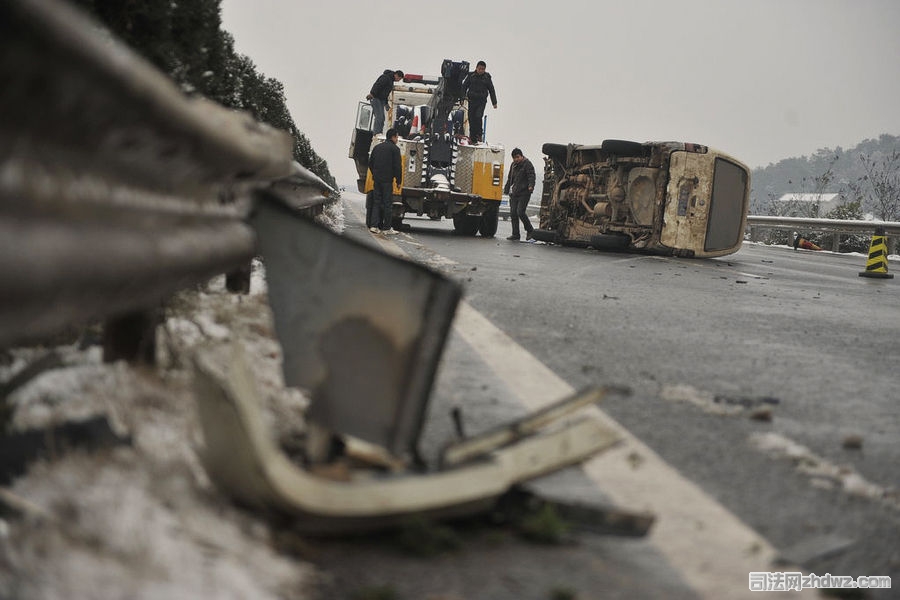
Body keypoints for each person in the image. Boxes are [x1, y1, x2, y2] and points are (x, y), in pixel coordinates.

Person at [368, 128, 402, 234]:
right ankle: (387, 228)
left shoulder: (377, 147)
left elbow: (370, 163)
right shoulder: (395, 149)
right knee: (387, 204)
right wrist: (398, 180)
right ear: (393, 137)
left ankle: (374, 226)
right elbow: (397, 167)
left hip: (377, 180)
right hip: (387, 181)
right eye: (397, 137)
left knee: (376, 202)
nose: (397, 139)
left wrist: (375, 174)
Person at [503, 148, 535, 241]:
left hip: (524, 193)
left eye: (517, 157)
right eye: (514, 158)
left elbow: (531, 176)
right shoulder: (513, 165)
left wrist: (531, 186)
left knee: (520, 212)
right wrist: (506, 189)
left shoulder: (527, 164)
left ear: (521, 156)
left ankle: (530, 231)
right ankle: (515, 234)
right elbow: (510, 178)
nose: (516, 159)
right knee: (513, 213)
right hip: (514, 193)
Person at [462, 60, 497, 144]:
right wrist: (462, 98)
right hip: (472, 100)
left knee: (478, 116)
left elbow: (491, 90)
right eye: (480, 68)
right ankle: (472, 138)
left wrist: (494, 102)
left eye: (483, 69)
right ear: (476, 68)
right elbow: (464, 87)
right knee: (471, 118)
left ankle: (479, 134)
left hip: (481, 102)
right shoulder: (471, 76)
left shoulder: (487, 77)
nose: (481, 70)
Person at [366, 69, 404, 134]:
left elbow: (385, 94)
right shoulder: (385, 77)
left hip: (381, 100)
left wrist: (386, 103)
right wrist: (372, 94)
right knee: (379, 117)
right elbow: (377, 85)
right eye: (399, 79)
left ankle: (379, 132)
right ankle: (376, 133)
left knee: (382, 118)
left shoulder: (391, 81)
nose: (398, 80)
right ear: (396, 75)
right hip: (376, 98)